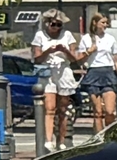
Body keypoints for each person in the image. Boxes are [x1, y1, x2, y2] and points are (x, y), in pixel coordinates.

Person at [29, 10, 80, 145]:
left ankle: (61, 141)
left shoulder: (67, 35)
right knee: (50, 108)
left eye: (59, 25)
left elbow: (74, 58)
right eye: (54, 24)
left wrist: (65, 50)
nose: (56, 28)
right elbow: (37, 58)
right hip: (48, 71)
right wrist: (49, 51)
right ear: (47, 24)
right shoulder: (40, 35)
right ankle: (48, 140)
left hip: (64, 71)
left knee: (63, 109)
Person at [79, 13, 117, 133]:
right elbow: (80, 60)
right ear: (95, 23)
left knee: (109, 111)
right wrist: (89, 51)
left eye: (106, 22)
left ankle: (109, 134)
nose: (105, 25)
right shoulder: (86, 38)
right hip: (93, 72)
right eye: (103, 22)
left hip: (108, 72)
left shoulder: (110, 39)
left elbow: (116, 60)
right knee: (98, 112)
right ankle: (99, 139)